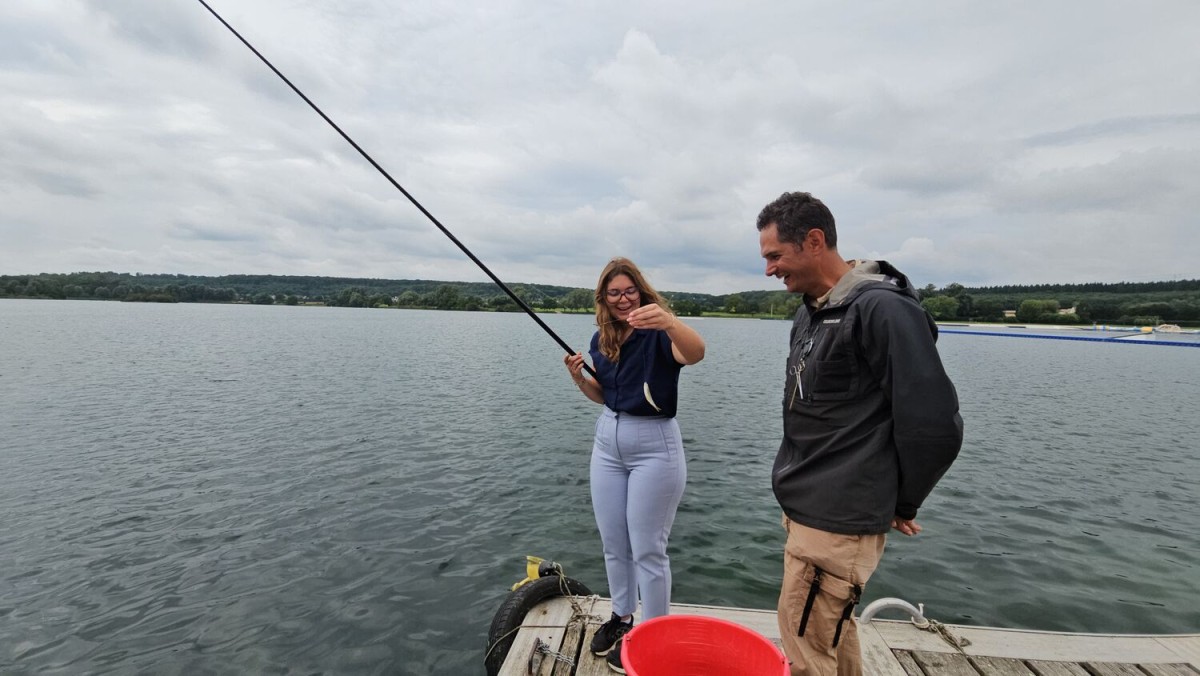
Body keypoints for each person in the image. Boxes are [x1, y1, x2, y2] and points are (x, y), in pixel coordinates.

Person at [756, 192, 963, 676]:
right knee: (831, 637)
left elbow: (934, 425)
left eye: (774, 256)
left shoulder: (882, 310)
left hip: (838, 518)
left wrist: (902, 500)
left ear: (813, 241)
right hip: (810, 509)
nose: (769, 269)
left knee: (806, 650)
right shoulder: (812, 310)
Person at [563, 257, 706, 674]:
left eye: (630, 291)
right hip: (608, 442)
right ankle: (622, 617)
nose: (623, 299)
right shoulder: (601, 337)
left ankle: (655, 634)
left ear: (641, 292)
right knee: (614, 543)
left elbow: (696, 353)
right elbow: (605, 395)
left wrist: (668, 321)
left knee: (648, 549)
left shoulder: (660, 333)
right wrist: (578, 378)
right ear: (604, 300)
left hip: (655, 446)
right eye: (614, 293)